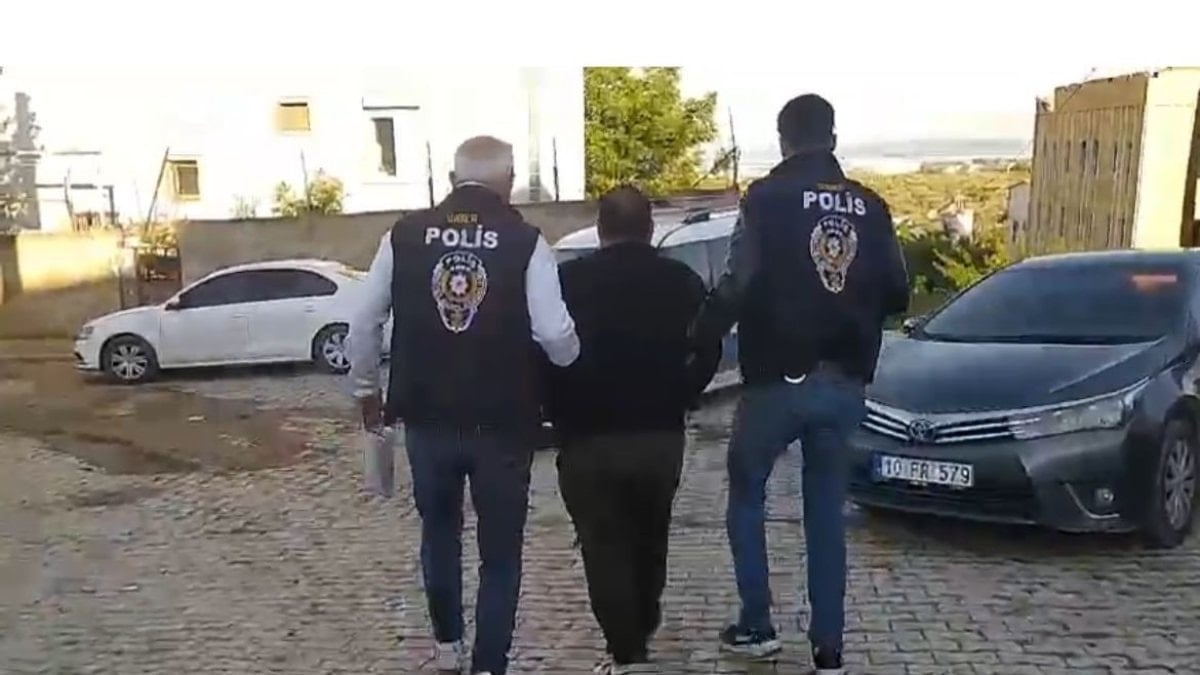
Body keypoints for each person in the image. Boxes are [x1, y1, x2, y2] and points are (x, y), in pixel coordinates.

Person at [690, 94, 910, 675]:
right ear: (832, 138)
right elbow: (898, 291)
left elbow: (739, 280)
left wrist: (700, 332)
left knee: (747, 489)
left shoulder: (766, 199)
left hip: (776, 379)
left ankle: (757, 625)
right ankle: (828, 647)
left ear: (783, 139)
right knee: (825, 511)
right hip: (844, 379)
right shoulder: (872, 206)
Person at [349, 135, 580, 675]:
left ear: (453, 179)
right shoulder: (526, 240)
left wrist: (366, 391)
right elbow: (554, 333)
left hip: (427, 418)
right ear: (509, 182)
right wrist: (571, 362)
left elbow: (363, 323)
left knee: (439, 534)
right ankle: (489, 664)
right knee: (500, 553)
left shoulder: (402, 236)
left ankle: (448, 646)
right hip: (503, 422)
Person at [545, 185, 722, 675]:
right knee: (650, 536)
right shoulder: (682, 281)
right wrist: (684, 390)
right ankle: (641, 628)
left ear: (600, 229)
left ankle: (626, 650)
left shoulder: (568, 281)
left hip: (587, 437)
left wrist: (552, 407)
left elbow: (540, 349)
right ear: (650, 228)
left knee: (602, 545)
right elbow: (709, 346)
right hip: (657, 433)